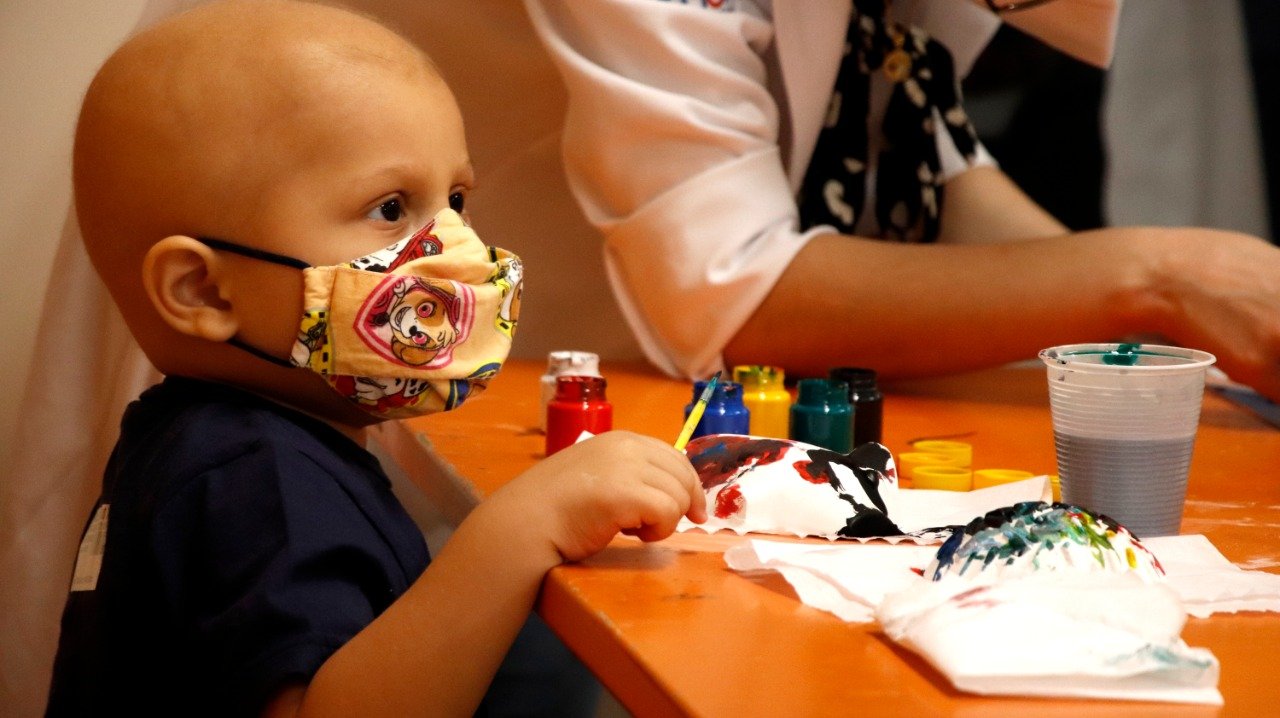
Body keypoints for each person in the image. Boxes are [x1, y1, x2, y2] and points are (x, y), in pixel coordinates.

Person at [45, 2, 706, 715]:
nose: (457, 250)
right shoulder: (256, 482)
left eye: (456, 199)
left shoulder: (203, 444)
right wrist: (523, 527)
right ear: (204, 290)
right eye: (391, 208)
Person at [523, 0, 1280, 402]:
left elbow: (917, 164)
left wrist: (1173, 335)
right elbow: (741, 296)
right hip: (530, 390)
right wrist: (1164, 281)